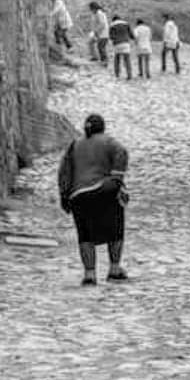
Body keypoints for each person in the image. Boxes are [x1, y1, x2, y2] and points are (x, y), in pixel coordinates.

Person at [57, 114, 129, 286]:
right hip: (103, 190)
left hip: (79, 195)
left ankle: (90, 274)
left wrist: (65, 196)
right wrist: (117, 178)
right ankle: (114, 268)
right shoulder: (109, 142)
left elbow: (64, 171)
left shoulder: (74, 145)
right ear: (102, 127)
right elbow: (122, 152)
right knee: (115, 229)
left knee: (85, 235)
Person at [109, 14, 135, 80]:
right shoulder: (126, 24)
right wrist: (133, 38)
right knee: (127, 60)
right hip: (126, 43)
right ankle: (129, 75)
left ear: (113, 20)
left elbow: (111, 36)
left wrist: (114, 39)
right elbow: (131, 35)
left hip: (117, 44)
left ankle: (117, 74)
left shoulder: (112, 25)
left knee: (117, 59)